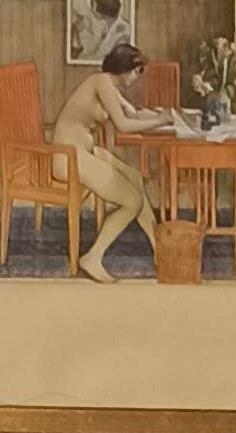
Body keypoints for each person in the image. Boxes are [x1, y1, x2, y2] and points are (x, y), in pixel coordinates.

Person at [54, 40, 158, 278]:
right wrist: (160, 121)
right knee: (132, 201)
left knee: (134, 177)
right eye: (135, 72)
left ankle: (157, 245)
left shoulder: (109, 86)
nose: (136, 78)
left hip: (82, 153)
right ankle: (92, 257)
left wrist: (159, 116)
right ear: (123, 69)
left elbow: (132, 113)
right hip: (67, 158)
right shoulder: (101, 83)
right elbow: (123, 124)